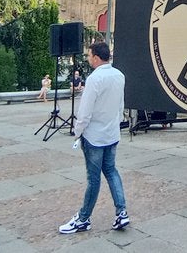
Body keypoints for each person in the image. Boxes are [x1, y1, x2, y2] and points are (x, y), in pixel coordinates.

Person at [58, 42, 129, 234]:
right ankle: (121, 212)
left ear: (96, 57)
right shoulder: (119, 76)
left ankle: (83, 219)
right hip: (111, 133)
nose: (89, 59)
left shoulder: (94, 79)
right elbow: (120, 105)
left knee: (93, 178)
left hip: (94, 136)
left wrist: (78, 132)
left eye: (89, 56)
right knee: (111, 171)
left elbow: (85, 112)